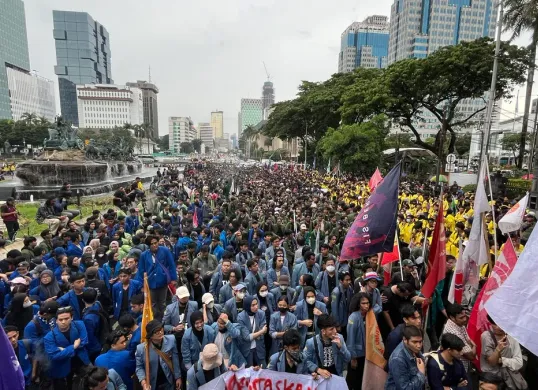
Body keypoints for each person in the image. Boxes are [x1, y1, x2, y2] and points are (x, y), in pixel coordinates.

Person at [43, 306, 91, 390]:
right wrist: (74, 346)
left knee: (91, 380)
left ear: (71, 317)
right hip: (63, 365)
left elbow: (84, 341)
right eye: (60, 320)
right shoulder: (49, 337)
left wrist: (64, 350)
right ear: (56, 320)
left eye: (66, 318)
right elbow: (54, 356)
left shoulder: (79, 324)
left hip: (81, 360)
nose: (63, 322)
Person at [480, 314, 528, 390]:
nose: (499, 327)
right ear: (490, 323)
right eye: (495, 324)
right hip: (492, 380)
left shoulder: (512, 336)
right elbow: (492, 362)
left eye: (501, 323)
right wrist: (498, 349)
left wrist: (502, 361)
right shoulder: (486, 336)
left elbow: (518, 362)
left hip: (508, 379)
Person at [137, 236, 178, 321]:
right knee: (153, 303)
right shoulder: (144, 255)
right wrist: (142, 284)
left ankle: (165, 320)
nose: (155, 245)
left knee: (162, 303)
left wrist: (173, 278)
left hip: (162, 281)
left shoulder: (165, 251)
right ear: (149, 245)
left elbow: (171, 265)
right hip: (150, 283)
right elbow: (141, 270)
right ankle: (156, 320)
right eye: (152, 244)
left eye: (156, 243)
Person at [135, 320, 182, 390]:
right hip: (153, 383)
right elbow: (139, 367)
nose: (160, 332)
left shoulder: (171, 339)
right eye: (156, 332)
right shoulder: (141, 349)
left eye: (161, 329)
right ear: (150, 336)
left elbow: (175, 359)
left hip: (168, 381)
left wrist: (178, 377)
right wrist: (144, 383)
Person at [385, 325, 426, 390]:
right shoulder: (398, 359)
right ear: (405, 340)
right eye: (414, 342)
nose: (419, 346)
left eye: (420, 342)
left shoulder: (413, 348)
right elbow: (404, 388)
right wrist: (421, 374)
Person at [345, 292, 371, 390]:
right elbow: (350, 339)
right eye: (363, 303)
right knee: (353, 379)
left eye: (367, 303)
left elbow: (378, 308)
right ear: (358, 304)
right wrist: (353, 357)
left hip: (366, 353)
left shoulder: (369, 315)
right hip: (357, 354)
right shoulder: (354, 317)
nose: (366, 305)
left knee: (361, 379)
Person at [443, 303, 476, 374]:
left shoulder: (458, 324)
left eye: (465, 316)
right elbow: (471, 356)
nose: (465, 319)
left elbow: (468, 340)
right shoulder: (454, 333)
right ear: (452, 317)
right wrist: (474, 346)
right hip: (458, 368)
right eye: (461, 318)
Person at [237, 294, 267, 367]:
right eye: (253, 305)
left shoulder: (261, 313)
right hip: (247, 349)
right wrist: (261, 332)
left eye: (256, 304)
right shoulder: (241, 317)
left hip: (259, 346)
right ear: (247, 306)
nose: (256, 307)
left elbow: (265, 329)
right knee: (248, 371)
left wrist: (255, 334)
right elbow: (247, 337)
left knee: (264, 369)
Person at [331, 271, 353, 339]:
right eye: (347, 280)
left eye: (349, 279)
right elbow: (334, 310)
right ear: (341, 281)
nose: (349, 282)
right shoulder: (336, 292)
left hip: (347, 320)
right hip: (340, 321)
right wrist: (337, 324)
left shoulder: (350, 289)